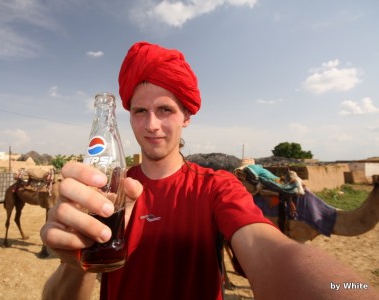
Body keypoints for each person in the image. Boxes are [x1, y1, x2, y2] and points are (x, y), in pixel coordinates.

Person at [40, 41, 378, 300]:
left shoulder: (216, 188)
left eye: (165, 110)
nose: (152, 125)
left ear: (186, 116)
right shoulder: (108, 193)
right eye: (140, 111)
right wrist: (78, 261)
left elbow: (272, 253)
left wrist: (348, 288)